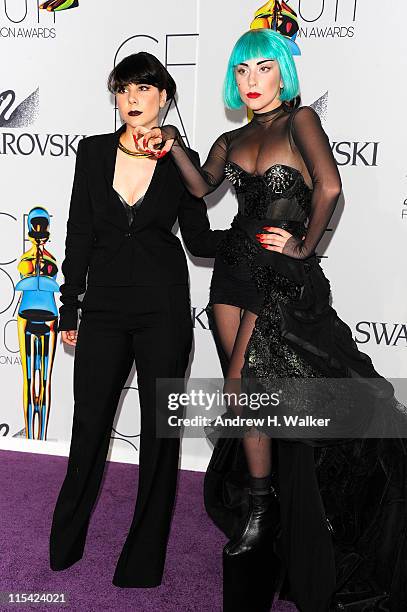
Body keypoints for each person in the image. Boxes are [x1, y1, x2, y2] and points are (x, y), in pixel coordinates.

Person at [138, 29, 407, 611]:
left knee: (242, 387)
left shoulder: (301, 120)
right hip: (231, 276)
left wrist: (305, 250)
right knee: (252, 400)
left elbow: (330, 186)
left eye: (263, 69)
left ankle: (269, 511)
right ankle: (263, 507)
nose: (251, 81)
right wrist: (177, 146)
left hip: (277, 279)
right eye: (241, 72)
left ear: (283, 75)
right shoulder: (231, 137)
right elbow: (202, 185)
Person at [49, 52, 224, 588]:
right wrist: (69, 306)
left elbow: (197, 239)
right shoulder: (93, 152)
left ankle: (143, 561)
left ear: (165, 97)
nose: (131, 98)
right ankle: (65, 543)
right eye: (123, 89)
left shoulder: (182, 159)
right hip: (101, 307)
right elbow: (79, 232)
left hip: (163, 310)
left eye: (143, 89)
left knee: (160, 436)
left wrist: (260, 240)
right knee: (88, 427)